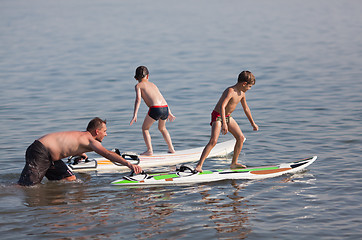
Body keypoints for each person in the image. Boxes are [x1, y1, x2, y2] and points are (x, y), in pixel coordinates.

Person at [18, 117, 142, 186]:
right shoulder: (90, 140)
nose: (106, 134)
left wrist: (79, 153)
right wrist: (129, 164)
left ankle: (55, 202)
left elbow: (67, 145)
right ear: (97, 132)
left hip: (50, 157)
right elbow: (107, 154)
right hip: (40, 151)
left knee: (71, 179)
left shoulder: (84, 137)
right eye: (105, 131)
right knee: (28, 187)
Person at [195, 71, 259, 172]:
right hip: (218, 115)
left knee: (241, 138)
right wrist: (224, 124)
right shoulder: (230, 91)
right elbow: (222, 106)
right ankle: (199, 165)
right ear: (244, 84)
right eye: (249, 86)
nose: (249, 89)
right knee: (213, 141)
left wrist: (252, 123)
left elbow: (246, 108)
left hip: (227, 116)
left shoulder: (242, 93)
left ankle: (233, 163)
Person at [130, 66, 176, 155]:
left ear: (136, 78)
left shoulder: (138, 85)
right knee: (162, 128)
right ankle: (171, 148)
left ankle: (149, 150)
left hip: (155, 109)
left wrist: (135, 114)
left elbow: (138, 99)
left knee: (145, 129)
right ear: (147, 76)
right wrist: (169, 112)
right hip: (165, 107)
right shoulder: (153, 85)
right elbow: (162, 98)